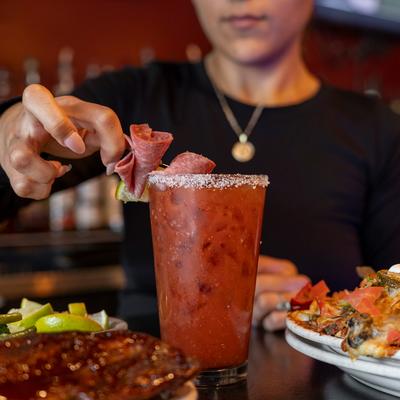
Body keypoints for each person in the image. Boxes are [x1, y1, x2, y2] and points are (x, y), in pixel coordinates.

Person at [1, 0, 400, 332]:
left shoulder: (377, 128)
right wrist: (11, 137)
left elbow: (392, 291)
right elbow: (19, 164)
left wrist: (313, 304)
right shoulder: (134, 95)